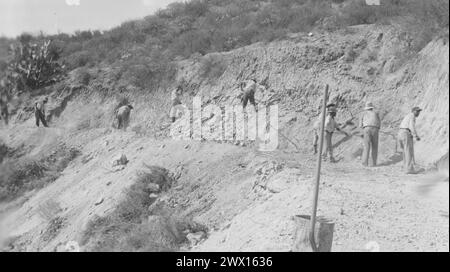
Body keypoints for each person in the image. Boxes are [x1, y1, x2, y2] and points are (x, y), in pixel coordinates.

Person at [398, 106, 422, 174]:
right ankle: (409, 169)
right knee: (408, 151)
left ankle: (405, 167)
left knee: (405, 151)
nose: (418, 113)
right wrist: (415, 136)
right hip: (405, 132)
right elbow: (411, 126)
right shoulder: (412, 116)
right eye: (417, 111)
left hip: (401, 133)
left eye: (419, 111)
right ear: (413, 111)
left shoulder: (408, 116)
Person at [359, 102, 381, 167]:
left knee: (366, 146)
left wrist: (361, 132)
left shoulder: (363, 113)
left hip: (367, 129)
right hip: (375, 129)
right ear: (372, 107)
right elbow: (379, 123)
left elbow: (360, 125)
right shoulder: (376, 113)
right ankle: (374, 163)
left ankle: (365, 163)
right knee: (375, 146)